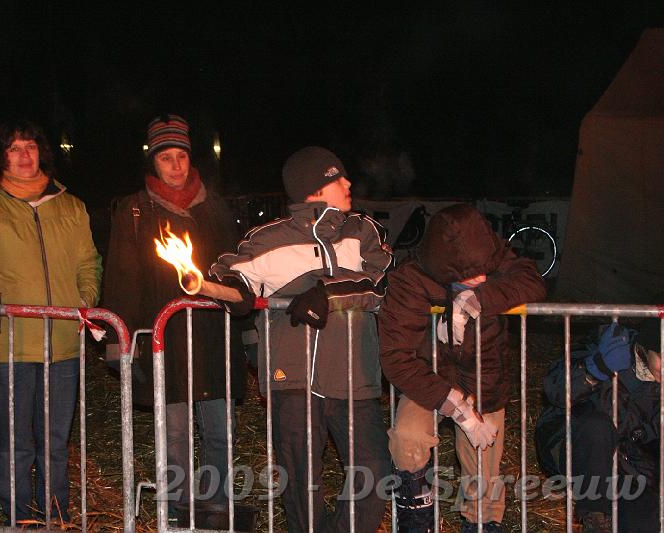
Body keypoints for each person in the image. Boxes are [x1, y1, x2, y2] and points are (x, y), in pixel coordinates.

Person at [210, 146, 393, 533]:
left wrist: (328, 291)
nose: (347, 183)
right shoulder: (269, 239)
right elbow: (232, 273)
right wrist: (234, 289)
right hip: (292, 379)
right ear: (313, 189)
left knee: (375, 473)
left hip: (353, 376)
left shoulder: (362, 232)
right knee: (300, 485)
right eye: (336, 178)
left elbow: (381, 283)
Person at [0, 120, 102, 525]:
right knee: (16, 442)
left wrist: (85, 299)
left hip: (64, 345)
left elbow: (89, 262)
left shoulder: (72, 207)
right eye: (14, 148)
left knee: (55, 441)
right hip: (9, 344)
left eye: (30, 147)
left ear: (42, 153)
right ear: (1, 157)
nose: (23, 155)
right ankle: (17, 519)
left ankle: (55, 516)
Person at [100, 114, 246, 510]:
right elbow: (121, 279)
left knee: (220, 431)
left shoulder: (213, 208)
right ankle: (179, 511)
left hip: (214, 339)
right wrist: (120, 342)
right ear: (154, 162)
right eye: (166, 157)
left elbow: (237, 273)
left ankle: (217, 508)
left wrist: (245, 334)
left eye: (181, 155)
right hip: (168, 342)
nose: (176, 165)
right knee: (175, 434)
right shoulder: (135, 211)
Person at [378, 203, 547, 533]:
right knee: (408, 439)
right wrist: (457, 408)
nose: (482, 276)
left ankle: (482, 523)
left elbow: (532, 280)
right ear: (443, 266)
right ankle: (417, 517)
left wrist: (481, 297)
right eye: (470, 274)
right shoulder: (410, 280)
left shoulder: (488, 254)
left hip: (484, 378)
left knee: (483, 463)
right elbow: (397, 357)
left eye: (485, 268)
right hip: (428, 379)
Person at [535, 319, 661, 533]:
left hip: (629, 467)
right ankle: (595, 517)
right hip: (575, 449)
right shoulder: (609, 344)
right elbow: (555, 389)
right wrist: (595, 369)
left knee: (647, 522)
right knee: (597, 427)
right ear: (646, 347)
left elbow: (652, 441)